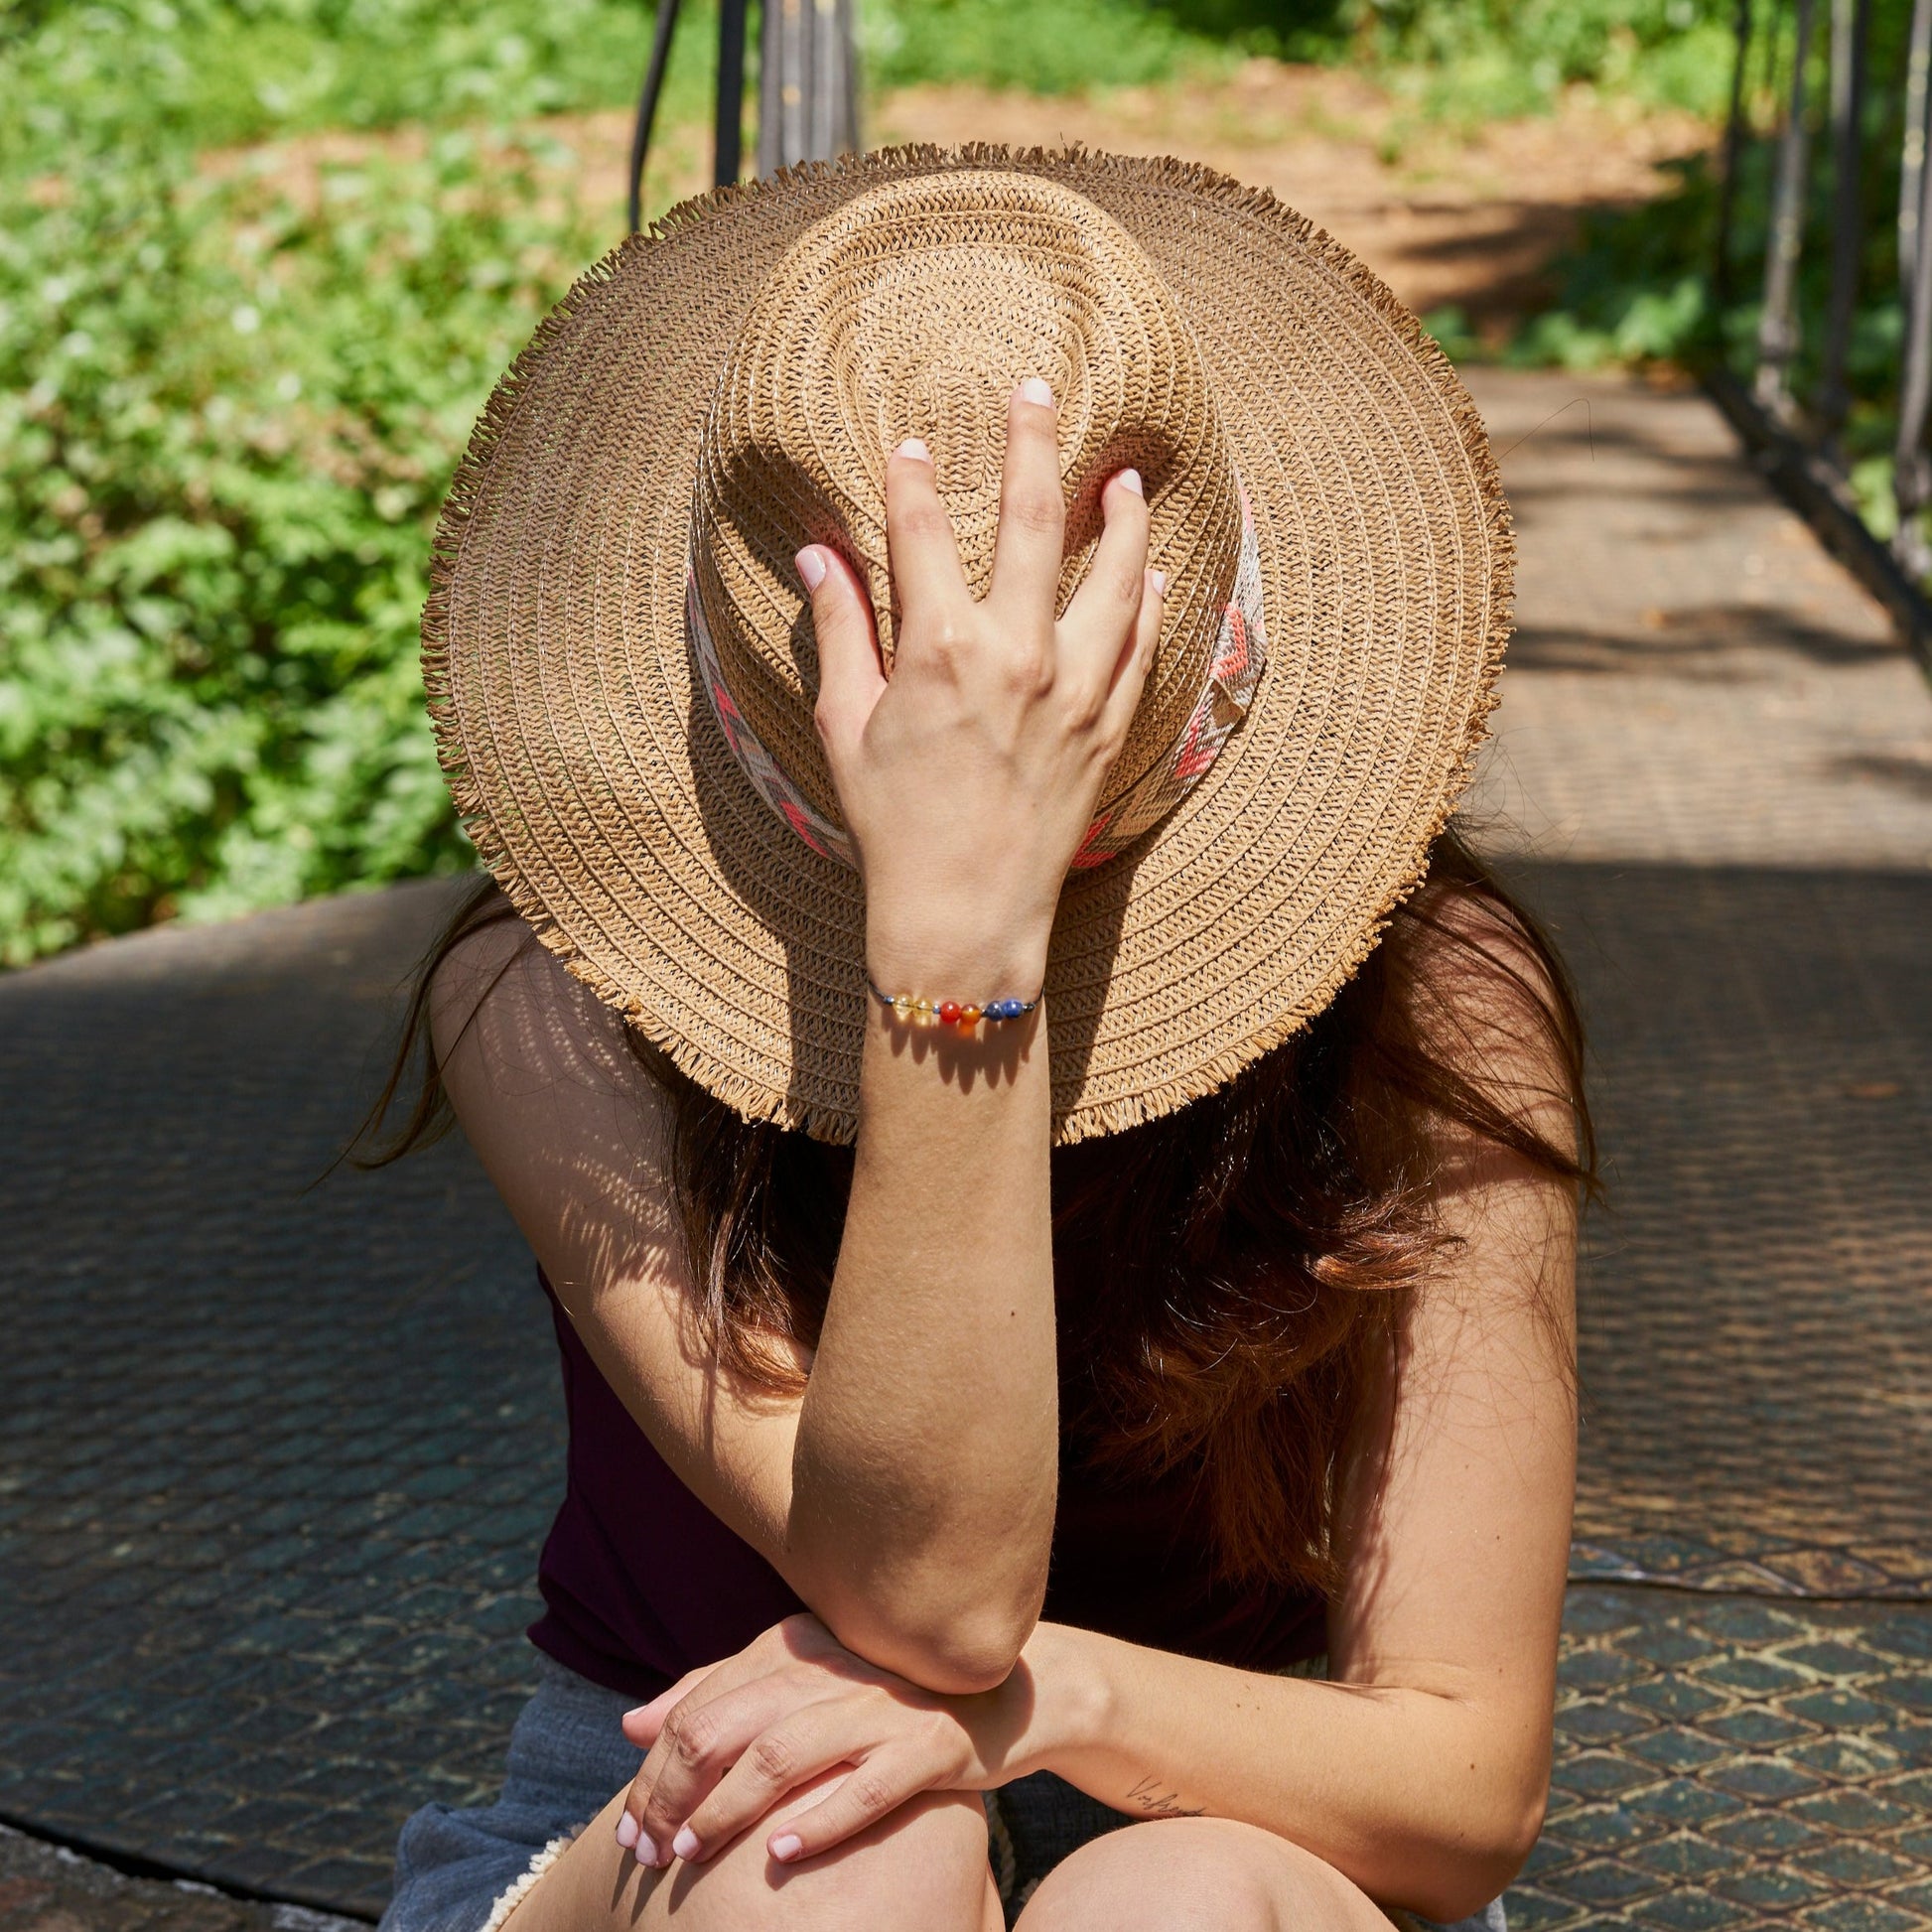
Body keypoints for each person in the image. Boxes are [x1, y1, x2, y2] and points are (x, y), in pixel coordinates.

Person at [364, 150, 1591, 1932]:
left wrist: (1053, 1704)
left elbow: (1463, 1778)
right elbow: (924, 1596)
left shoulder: (1432, 1002)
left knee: (1163, 1908)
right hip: (697, 1806)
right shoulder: (549, 996)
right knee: (843, 1865)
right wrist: (959, 938)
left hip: (1244, 1801)